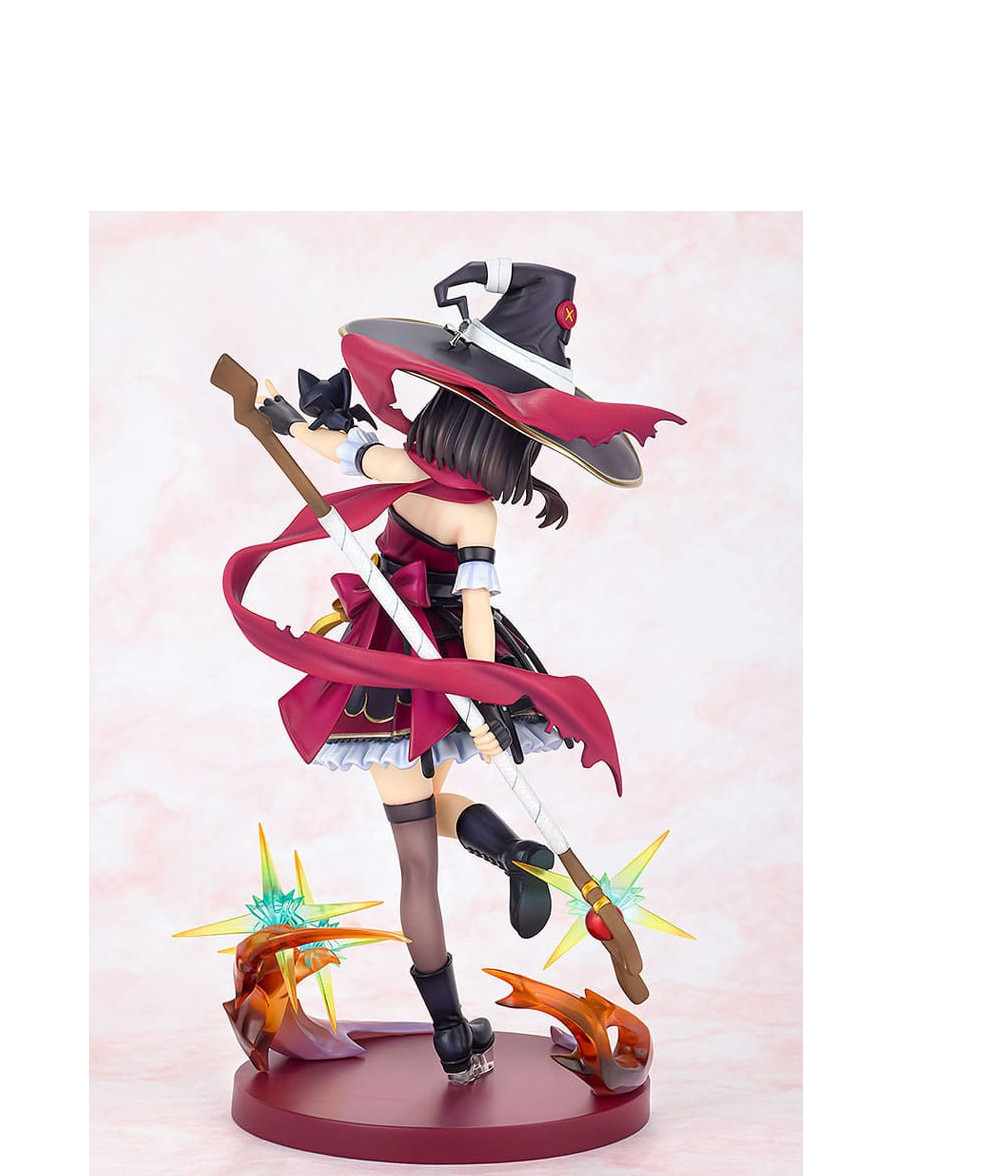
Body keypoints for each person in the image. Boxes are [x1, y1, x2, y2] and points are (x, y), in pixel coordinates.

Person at [224, 260, 684, 1082]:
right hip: (442, 668)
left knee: (414, 857)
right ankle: (512, 852)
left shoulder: (403, 467)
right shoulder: (476, 513)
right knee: (429, 809)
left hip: (384, 670)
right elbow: (473, 620)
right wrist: (483, 699)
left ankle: (449, 1031)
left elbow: (331, 445)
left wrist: (280, 418)